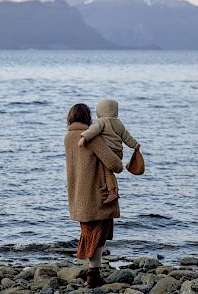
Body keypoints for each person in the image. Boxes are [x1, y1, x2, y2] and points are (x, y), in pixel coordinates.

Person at [64, 103, 123, 288]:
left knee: (89, 234)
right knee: (99, 235)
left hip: (78, 195)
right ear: (88, 117)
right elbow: (115, 165)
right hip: (97, 196)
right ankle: (93, 276)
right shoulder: (93, 138)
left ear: (71, 118)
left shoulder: (68, 137)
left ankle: (93, 275)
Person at [78, 99, 139, 203]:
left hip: (109, 152)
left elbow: (93, 130)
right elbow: (126, 137)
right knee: (110, 173)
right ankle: (115, 189)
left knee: (107, 173)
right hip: (119, 152)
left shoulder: (101, 121)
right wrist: (135, 145)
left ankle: (112, 192)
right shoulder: (119, 123)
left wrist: (84, 138)